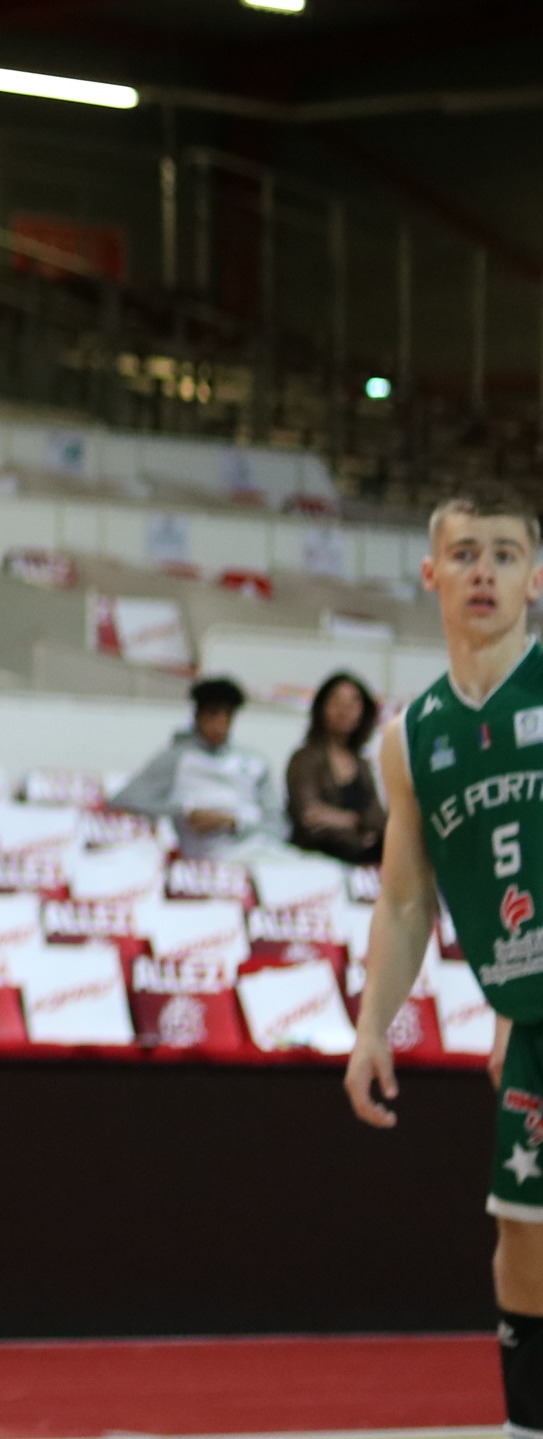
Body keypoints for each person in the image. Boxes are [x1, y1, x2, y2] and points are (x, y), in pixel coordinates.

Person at [348, 487, 543, 1439]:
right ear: (431, 573)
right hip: (532, 1020)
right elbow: (405, 897)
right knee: (522, 1239)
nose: (484, 572)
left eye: (506, 555)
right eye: (466, 553)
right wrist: (370, 1027)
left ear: (535, 578)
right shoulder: (411, 738)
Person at [113, 675, 287, 862]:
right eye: (213, 714)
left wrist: (232, 822)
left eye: (227, 715)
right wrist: (184, 814)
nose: (220, 724)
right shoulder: (177, 759)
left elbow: (279, 827)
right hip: (206, 859)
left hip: (259, 850)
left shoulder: (254, 762)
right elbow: (124, 803)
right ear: (198, 715)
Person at [286, 669, 386, 864]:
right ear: (322, 707)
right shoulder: (305, 758)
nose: (344, 709)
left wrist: (347, 819)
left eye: (353, 702)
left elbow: (379, 820)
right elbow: (310, 818)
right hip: (318, 858)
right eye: (336, 701)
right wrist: (361, 828)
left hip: (364, 855)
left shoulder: (362, 763)